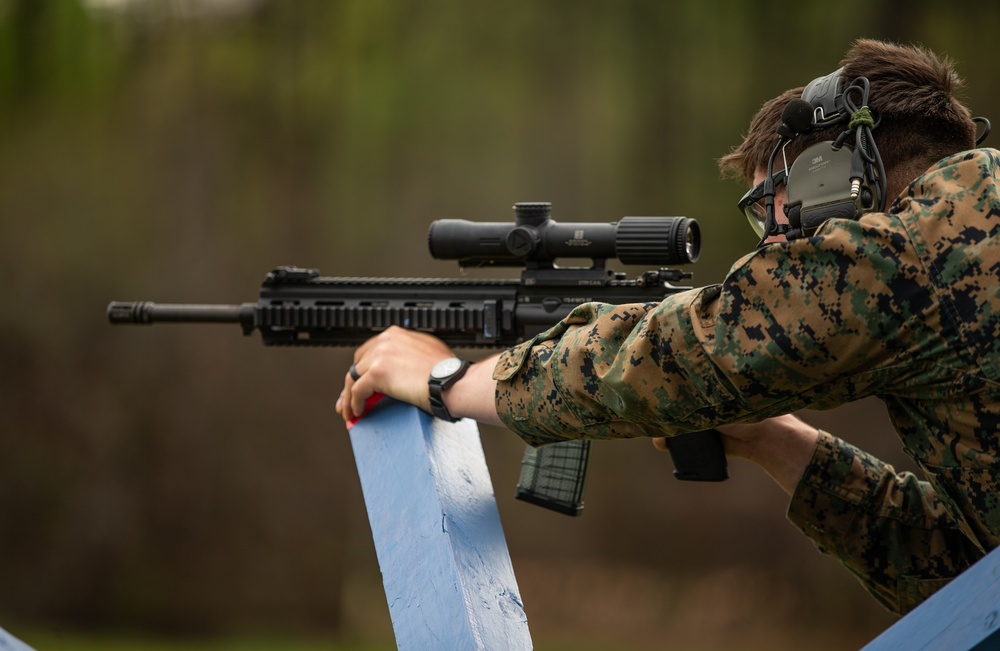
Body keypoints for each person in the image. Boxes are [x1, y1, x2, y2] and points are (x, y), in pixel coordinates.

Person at [336, 39, 997, 615]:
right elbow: (969, 582)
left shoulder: (917, 246)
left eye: (775, 207)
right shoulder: (958, 242)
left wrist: (450, 381)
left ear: (834, 176)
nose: (772, 247)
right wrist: (780, 444)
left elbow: (682, 354)